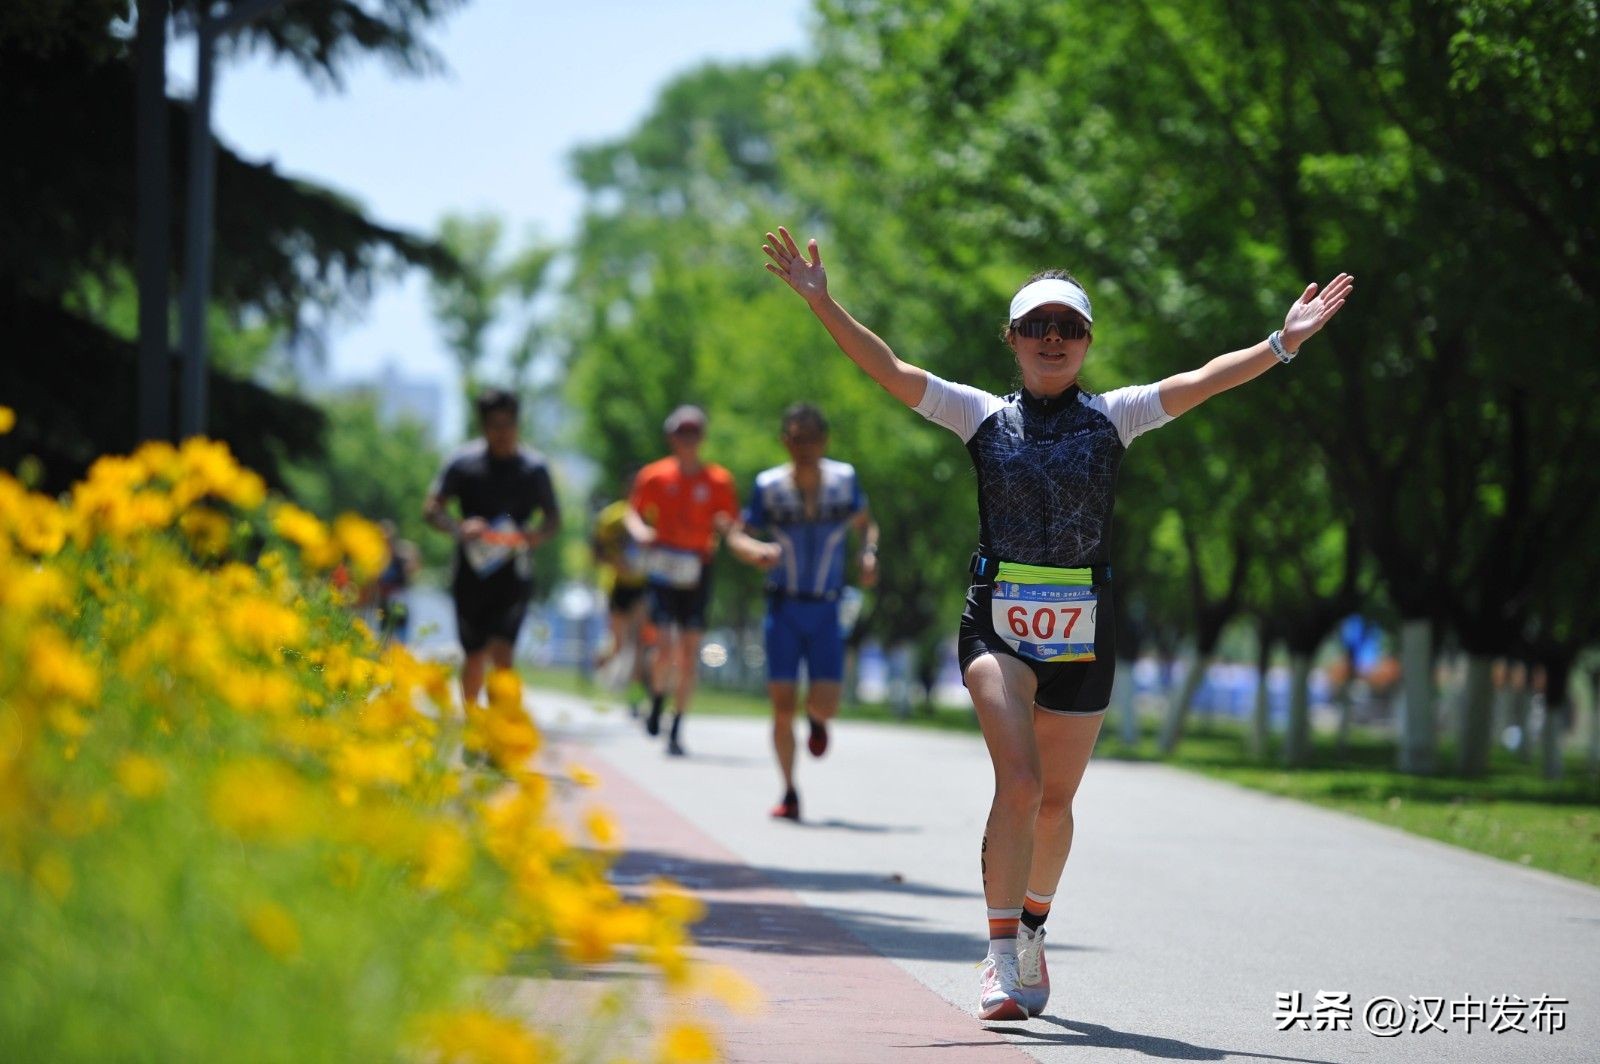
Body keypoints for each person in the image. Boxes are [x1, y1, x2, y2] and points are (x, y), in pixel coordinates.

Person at [762, 225, 1352, 1021]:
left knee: (1056, 804)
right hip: (996, 624)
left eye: (1068, 327)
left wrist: (1280, 343)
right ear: (1010, 339)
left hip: (1086, 629)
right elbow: (891, 371)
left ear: (1086, 342)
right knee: (1022, 781)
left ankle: (1034, 930)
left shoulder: (1117, 416)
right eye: (1036, 326)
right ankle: (1000, 954)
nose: (1052, 339)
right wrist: (823, 303)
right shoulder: (979, 416)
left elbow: (1206, 380)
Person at [726, 403, 879, 821]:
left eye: (812, 438)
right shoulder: (769, 486)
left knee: (826, 704)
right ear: (785, 441)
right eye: (796, 438)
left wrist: (868, 553)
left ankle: (817, 719)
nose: (804, 447)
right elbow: (738, 536)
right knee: (780, 705)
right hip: (785, 606)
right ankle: (790, 791)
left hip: (827, 608)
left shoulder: (844, 481)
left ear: (824, 441)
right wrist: (754, 550)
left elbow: (866, 524)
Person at [424, 388, 561, 709]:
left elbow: (553, 518)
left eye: (508, 424)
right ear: (483, 427)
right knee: (473, 653)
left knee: (503, 653)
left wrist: (536, 535)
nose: (502, 432)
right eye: (494, 425)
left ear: (518, 424)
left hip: (514, 572)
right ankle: (473, 725)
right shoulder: (462, 463)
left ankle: (499, 732)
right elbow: (432, 509)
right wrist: (459, 528)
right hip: (472, 573)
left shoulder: (534, 468)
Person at [626, 404, 739, 757]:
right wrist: (641, 530)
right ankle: (657, 699)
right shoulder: (655, 476)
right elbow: (633, 512)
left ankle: (677, 725)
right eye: (681, 433)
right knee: (663, 644)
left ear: (702, 438)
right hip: (663, 563)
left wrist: (728, 532)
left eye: (693, 433)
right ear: (671, 437)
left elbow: (730, 521)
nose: (687, 440)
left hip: (697, 567)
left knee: (689, 650)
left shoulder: (718, 480)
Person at [591, 492, 652, 714]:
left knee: (638, 642)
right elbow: (596, 551)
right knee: (619, 645)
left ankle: (635, 696)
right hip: (618, 584)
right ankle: (600, 663)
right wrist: (616, 562)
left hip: (643, 586)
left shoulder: (653, 514)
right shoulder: (612, 516)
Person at [374, 519, 421, 645]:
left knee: (400, 641)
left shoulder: (400, 555)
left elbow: (414, 563)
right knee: (383, 641)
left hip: (399, 601)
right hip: (383, 602)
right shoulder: (377, 557)